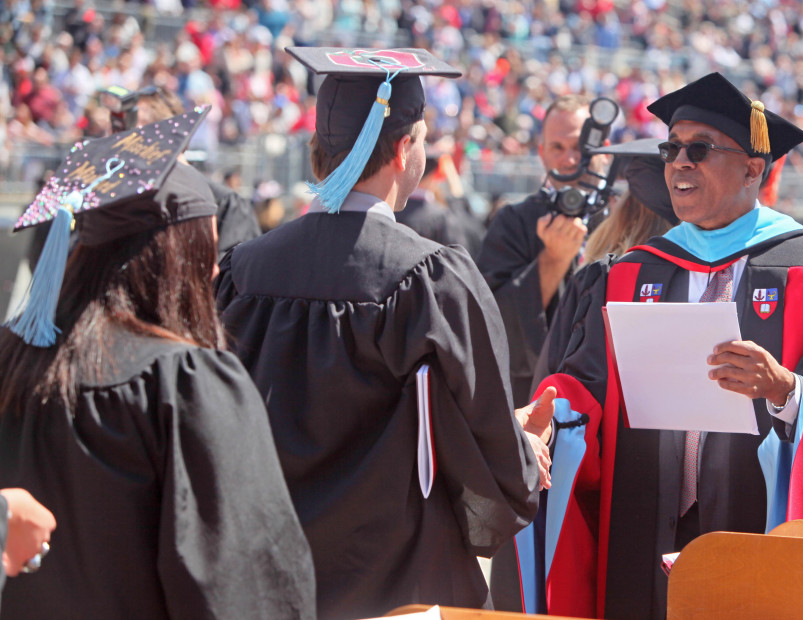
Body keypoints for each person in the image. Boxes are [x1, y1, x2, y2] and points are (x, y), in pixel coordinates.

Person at [507, 73, 803, 619]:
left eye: (700, 149)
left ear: (753, 167)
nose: (679, 163)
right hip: (639, 523)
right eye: (672, 149)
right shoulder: (626, 273)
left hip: (760, 524)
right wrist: (552, 413)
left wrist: (790, 392)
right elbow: (586, 382)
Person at [214, 47, 545, 620]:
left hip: (269, 569)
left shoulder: (242, 271)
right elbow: (487, 437)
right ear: (402, 149)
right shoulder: (430, 276)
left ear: (320, 150)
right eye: (422, 137)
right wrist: (523, 452)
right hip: (397, 578)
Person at [0, 109, 315, 619]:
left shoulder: (11, 361)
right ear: (176, 259)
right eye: (206, 250)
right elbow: (245, 588)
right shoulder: (185, 384)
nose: (213, 270)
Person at [476, 94, 602, 406]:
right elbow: (491, 324)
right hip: (533, 398)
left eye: (581, 148)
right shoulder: (513, 221)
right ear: (542, 153)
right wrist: (554, 260)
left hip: (610, 396)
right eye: (558, 148)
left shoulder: (626, 220)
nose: (570, 159)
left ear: (604, 152)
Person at [97, 84, 262, 256]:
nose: (118, 140)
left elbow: (229, 276)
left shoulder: (225, 205)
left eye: (131, 128)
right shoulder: (114, 200)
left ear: (167, 135)